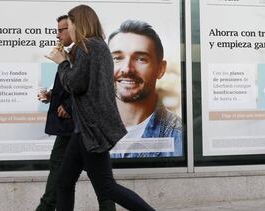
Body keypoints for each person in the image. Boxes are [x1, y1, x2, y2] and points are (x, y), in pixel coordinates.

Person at [44, 5, 155, 211]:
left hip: (91, 127)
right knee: (64, 182)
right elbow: (86, 83)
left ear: (80, 24)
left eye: (71, 25)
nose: (70, 30)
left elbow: (75, 84)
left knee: (106, 187)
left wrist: (61, 63)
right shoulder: (95, 46)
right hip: (87, 128)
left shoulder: (89, 47)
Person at [36, 15, 116, 211]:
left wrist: (69, 105)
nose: (59, 34)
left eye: (64, 29)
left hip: (81, 125)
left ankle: (45, 207)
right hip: (77, 127)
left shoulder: (86, 49)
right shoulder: (76, 51)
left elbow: (84, 85)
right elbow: (72, 84)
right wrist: (53, 95)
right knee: (69, 179)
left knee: (100, 183)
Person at [108, 20, 182, 158]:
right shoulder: (88, 129)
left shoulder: (179, 136)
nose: (127, 69)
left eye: (141, 59)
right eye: (117, 58)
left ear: (160, 69)